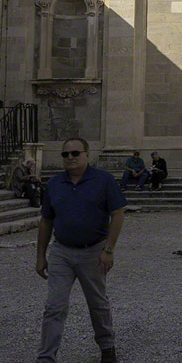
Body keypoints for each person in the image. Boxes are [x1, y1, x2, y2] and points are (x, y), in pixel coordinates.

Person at [35, 136, 126, 363]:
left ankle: (107, 347)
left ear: (87, 155)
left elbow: (118, 214)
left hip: (93, 252)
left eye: (75, 153)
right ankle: (46, 357)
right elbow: (46, 221)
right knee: (54, 306)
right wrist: (40, 256)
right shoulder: (55, 184)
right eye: (66, 154)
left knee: (98, 303)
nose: (70, 158)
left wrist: (109, 249)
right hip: (61, 252)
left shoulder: (103, 181)